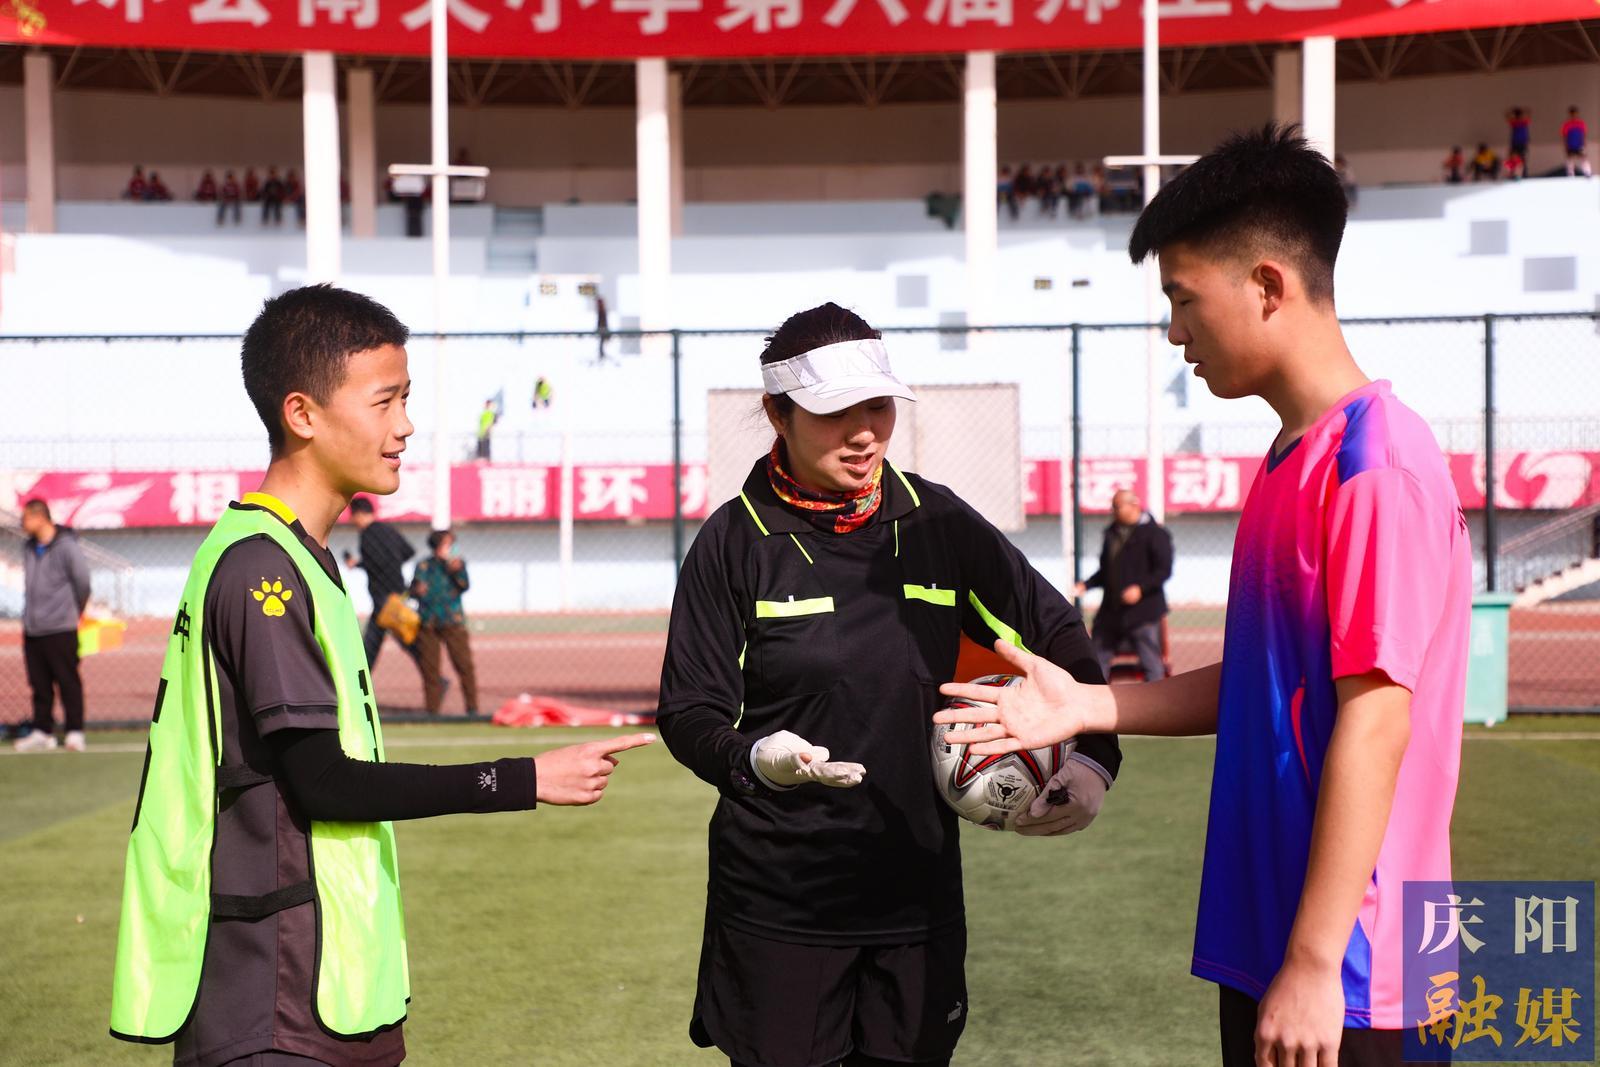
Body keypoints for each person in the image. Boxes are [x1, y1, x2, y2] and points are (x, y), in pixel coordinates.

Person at [937, 125, 1473, 1067]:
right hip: (1274, 944)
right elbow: (1268, 683)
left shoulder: (1375, 465)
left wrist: (1315, 961)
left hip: (1357, 972)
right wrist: (1092, 703)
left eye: (1184, 299)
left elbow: (1377, 719)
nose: (1175, 331)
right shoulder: (1290, 459)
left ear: (1267, 284)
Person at [110, 283, 654, 1065]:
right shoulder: (263, 571)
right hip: (275, 998)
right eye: (385, 400)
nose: (405, 425)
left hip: (329, 988)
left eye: (407, 399)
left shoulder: (298, 556)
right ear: (302, 414)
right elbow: (325, 783)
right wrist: (524, 777)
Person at [657, 302, 1123, 1067]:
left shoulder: (936, 521)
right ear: (778, 413)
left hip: (917, 898)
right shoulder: (733, 541)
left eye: (878, 406)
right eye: (835, 412)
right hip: (780, 903)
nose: (865, 432)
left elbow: (1053, 629)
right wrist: (753, 759)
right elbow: (688, 709)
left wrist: (1097, 758)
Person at [15, 499, 91, 753]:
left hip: (61, 627)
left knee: (68, 681)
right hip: (33, 628)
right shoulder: (28, 547)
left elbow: (83, 582)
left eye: (26, 518)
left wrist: (74, 611)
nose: (22, 523)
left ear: (40, 517)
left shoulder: (67, 546)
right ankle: (42, 731)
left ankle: (75, 732)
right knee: (39, 684)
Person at [1074, 488, 1172, 682]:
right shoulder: (1111, 533)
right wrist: (1086, 585)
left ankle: (1156, 697)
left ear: (1134, 505)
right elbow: (1106, 571)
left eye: (1117, 507)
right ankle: (1096, 695)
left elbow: (1163, 570)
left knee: (1150, 661)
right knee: (1097, 658)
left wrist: (1140, 589)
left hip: (1143, 612)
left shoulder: (1155, 534)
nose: (1113, 511)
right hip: (1111, 611)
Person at [343, 494, 424, 675]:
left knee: (378, 641)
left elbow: (376, 562)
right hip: (398, 590)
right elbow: (408, 551)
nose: (352, 521)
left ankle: (359, 680)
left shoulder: (367, 535)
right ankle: (432, 674)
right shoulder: (388, 530)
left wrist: (358, 564)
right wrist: (394, 563)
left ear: (359, 514)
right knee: (402, 637)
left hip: (382, 595)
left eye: (353, 515)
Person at [410, 529, 479, 716]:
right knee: (430, 669)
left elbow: (465, 585)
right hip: (428, 622)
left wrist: (456, 571)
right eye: (448, 544)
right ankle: (432, 711)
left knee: (464, 665)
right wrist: (417, 590)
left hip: (452, 621)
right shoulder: (424, 565)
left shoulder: (457, 564)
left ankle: (472, 709)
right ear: (438, 546)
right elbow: (413, 589)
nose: (452, 548)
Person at [1562, 105, 1591, 176]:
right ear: (1570, 114)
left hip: (1579, 144)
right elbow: (1564, 136)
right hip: (1570, 144)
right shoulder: (1567, 124)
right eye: (1572, 114)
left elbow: (1583, 134)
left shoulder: (1581, 123)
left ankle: (1587, 172)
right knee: (1570, 159)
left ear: (1577, 114)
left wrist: (1584, 143)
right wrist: (1566, 145)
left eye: (1575, 114)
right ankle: (1570, 173)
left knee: (1584, 158)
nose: (1574, 116)